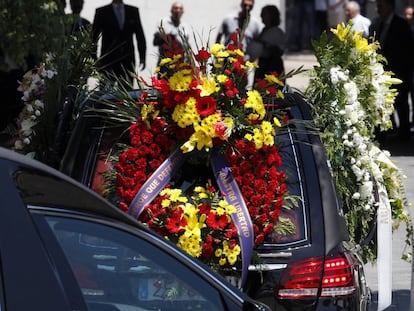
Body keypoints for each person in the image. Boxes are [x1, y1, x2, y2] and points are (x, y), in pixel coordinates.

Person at [370, 0, 414, 140]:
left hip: (399, 70)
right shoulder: (377, 23)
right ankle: (389, 128)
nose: (378, 9)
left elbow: (407, 49)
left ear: (390, 6)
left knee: (401, 102)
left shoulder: (400, 24)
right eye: (377, 6)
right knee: (384, 101)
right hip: (381, 71)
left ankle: (404, 131)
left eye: (381, 6)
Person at [92, 0, 146, 86]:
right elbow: (93, 37)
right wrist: (94, 59)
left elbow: (140, 35)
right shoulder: (102, 12)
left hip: (127, 60)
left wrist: (142, 57)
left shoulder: (132, 11)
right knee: (106, 93)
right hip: (107, 61)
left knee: (127, 92)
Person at [249, 5, 286, 81]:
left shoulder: (277, 32)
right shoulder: (264, 30)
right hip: (262, 65)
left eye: (264, 14)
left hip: (273, 66)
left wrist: (267, 46)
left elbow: (280, 50)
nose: (261, 16)